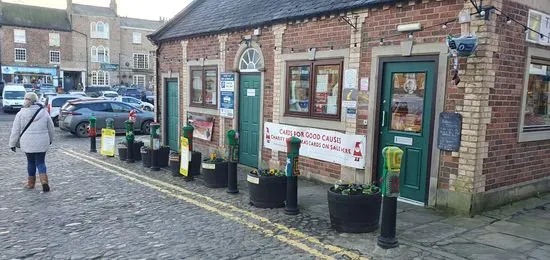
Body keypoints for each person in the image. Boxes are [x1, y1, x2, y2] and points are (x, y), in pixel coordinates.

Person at [8, 92, 54, 192]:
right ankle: (44, 182)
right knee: (41, 162)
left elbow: (15, 130)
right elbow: (51, 128)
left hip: (27, 142)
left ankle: (31, 183)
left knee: (30, 162)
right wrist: (50, 139)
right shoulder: (44, 112)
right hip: (42, 142)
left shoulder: (20, 114)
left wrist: (12, 143)